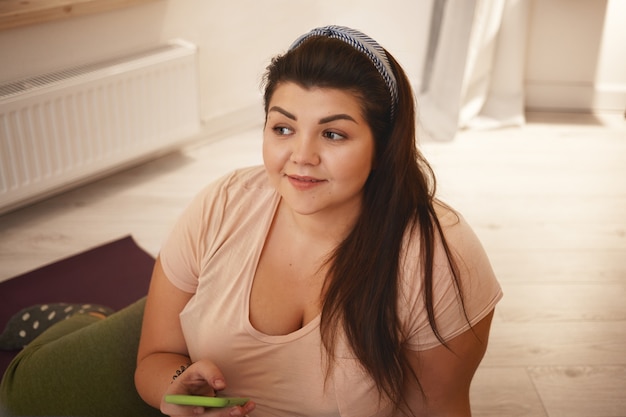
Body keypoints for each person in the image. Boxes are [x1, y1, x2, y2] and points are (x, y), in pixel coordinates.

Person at [1, 25, 501, 417]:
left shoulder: (442, 259)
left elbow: (439, 408)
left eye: (333, 135)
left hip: (213, 323)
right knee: (23, 394)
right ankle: (89, 321)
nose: (300, 156)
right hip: (198, 328)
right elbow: (155, 359)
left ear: (384, 145)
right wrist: (176, 391)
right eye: (283, 127)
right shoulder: (221, 205)